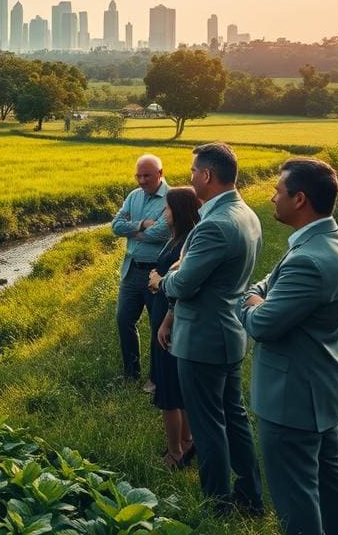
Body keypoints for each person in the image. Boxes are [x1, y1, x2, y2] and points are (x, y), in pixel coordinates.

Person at [237, 159, 338, 535]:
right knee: (333, 483)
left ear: (300, 199)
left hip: (291, 398)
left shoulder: (308, 259)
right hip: (322, 387)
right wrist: (261, 295)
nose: (273, 197)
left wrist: (251, 302)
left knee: (296, 497)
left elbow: (262, 322)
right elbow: (268, 283)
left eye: (279, 190)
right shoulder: (337, 242)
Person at [150, 142, 263, 514]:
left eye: (193, 171)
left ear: (208, 175)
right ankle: (250, 492)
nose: (190, 177)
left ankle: (218, 503)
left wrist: (161, 282)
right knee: (234, 417)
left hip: (202, 339)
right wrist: (182, 269)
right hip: (229, 332)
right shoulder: (246, 214)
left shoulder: (214, 224)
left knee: (208, 424)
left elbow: (182, 283)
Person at [147, 186, 200, 470]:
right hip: (167, 318)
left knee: (168, 390)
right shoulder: (180, 237)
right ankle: (188, 440)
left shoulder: (184, 242)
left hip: (169, 322)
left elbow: (179, 284)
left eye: (166, 208)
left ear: (178, 210)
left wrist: (158, 279)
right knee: (177, 387)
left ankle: (175, 452)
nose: (163, 212)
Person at [111, 154, 170, 384]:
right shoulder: (134, 196)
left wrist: (131, 230)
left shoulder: (170, 198)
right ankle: (131, 373)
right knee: (124, 320)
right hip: (131, 270)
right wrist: (142, 225)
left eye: (147, 175)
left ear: (160, 174)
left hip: (156, 274)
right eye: (139, 175)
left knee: (158, 325)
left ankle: (156, 379)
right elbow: (115, 226)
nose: (142, 180)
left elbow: (161, 233)